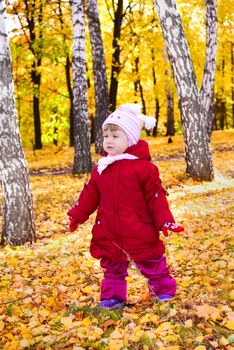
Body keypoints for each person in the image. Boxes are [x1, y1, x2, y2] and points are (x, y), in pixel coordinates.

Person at [67, 104, 184, 309]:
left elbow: (156, 197)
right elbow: (90, 194)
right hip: (109, 230)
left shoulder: (144, 168)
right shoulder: (101, 169)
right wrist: (78, 215)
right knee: (113, 267)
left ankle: (164, 293)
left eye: (115, 136)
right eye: (106, 136)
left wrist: (165, 220)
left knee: (152, 263)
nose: (109, 141)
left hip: (138, 228)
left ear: (129, 139)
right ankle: (112, 298)